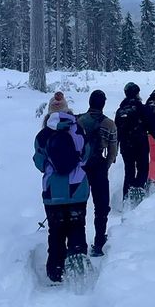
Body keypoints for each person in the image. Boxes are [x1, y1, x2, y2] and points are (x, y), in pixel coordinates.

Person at [33, 92, 90, 283]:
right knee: (77, 228)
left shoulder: (42, 135)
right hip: (77, 189)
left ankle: (56, 271)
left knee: (55, 232)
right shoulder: (78, 129)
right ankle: (79, 269)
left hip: (53, 192)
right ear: (67, 109)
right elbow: (86, 155)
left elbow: (40, 163)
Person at [78, 90, 118, 257]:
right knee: (101, 206)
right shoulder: (109, 124)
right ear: (103, 104)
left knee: (79, 206)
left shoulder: (78, 121)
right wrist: (105, 166)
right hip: (99, 167)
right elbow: (113, 151)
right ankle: (99, 243)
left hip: (80, 168)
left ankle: (79, 244)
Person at [115, 82, 155, 203]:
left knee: (129, 171)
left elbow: (117, 129)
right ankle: (138, 193)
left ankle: (126, 199)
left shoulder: (120, 110)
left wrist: (116, 147)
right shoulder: (142, 108)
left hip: (125, 145)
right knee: (143, 169)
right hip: (141, 144)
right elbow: (151, 125)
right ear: (137, 93)